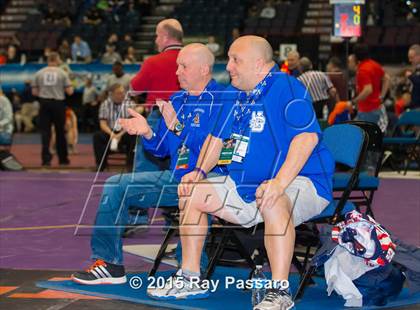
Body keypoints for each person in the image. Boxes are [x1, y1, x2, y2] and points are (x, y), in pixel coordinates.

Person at [147, 36, 334, 310]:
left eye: (236, 60)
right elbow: (217, 140)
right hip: (247, 185)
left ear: (259, 64)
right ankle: (190, 277)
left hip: (302, 182)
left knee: (274, 199)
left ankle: (279, 291)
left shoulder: (286, 87)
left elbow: (305, 139)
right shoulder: (234, 94)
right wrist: (199, 171)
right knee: (192, 192)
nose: (229, 66)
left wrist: (279, 183)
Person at [71, 43, 226, 284]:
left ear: (204, 69)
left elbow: (213, 146)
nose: (177, 72)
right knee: (115, 185)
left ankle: (192, 269)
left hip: (210, 181)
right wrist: (147, 133)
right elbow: (162, 149)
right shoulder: (177, 100)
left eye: (183, 66)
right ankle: (109, 264)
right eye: (177, 67)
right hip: (175, 177)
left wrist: (176, 125)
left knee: (194, 192)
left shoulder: (223, 101)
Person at [130, 18, 183, 172]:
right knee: (182, 165)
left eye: (157, 36)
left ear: (165, 37)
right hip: (186, 117)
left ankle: (142, 195)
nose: (156, 40)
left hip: (158, 116)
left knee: (146, 168)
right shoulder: (192, 60)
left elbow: (134, 88)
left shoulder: (153, 62)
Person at [32, 52, 73, 166]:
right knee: (60, 131)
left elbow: (34, 92)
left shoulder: (39, 73)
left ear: (48, 60)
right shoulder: (62, 73)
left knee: (45, 132)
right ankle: (63, 159)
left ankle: (46, 160)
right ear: (57, 60)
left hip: (44, 103)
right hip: (58, 103)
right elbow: (70, 92)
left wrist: (45, 92)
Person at [93, 83, 136, 171]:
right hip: (110, 131)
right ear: (111, 94)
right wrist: (112, 134)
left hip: (125, 130)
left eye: (123, 92)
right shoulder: (105, 104)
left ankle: (130, 165)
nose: (122, 95)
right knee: (97, 136)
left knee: (134, 136)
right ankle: (101, 165)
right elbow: (103, 123)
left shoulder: (130, 103)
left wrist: (119, 135)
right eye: (119, 93)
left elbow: (132, 123)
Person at [350, 44, 390, 132]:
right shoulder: (374, 65)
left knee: (360, 136)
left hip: (367, 109)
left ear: (356, 56)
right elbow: (386, 78)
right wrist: (382, 96)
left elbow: (368, 90)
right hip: (377, 107)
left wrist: (354, 101)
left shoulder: (363, 70)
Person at [407, 44, 420, 109]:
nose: (410, 60)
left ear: (418, 56)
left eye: (411, 57)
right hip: (414, 105)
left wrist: (411, 76)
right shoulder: (416, 68)